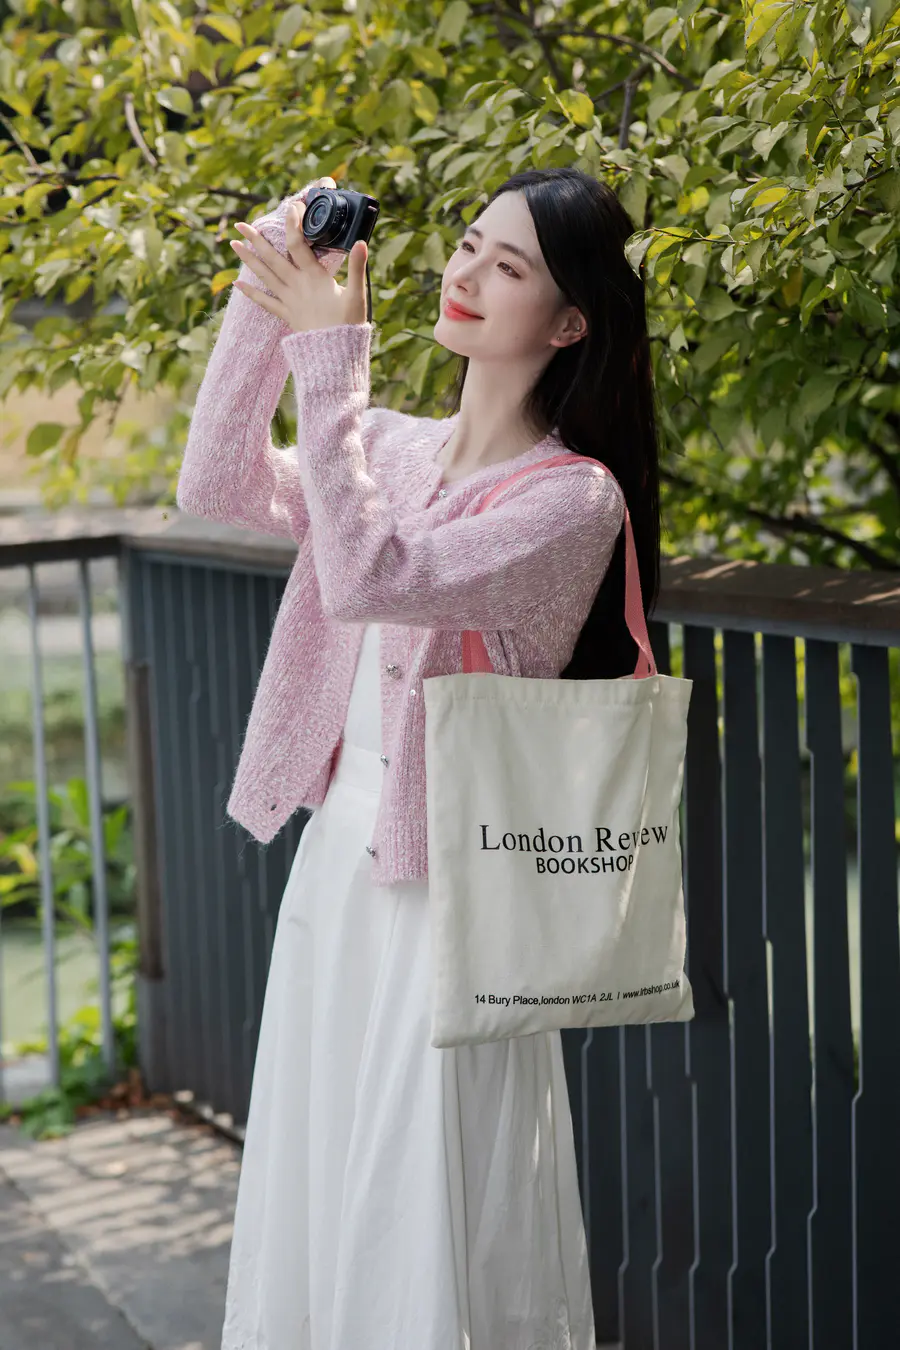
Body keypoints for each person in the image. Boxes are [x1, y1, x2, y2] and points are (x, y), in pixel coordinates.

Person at [176, 165, 661, 1350]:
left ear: (570, 323)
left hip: (450, 903)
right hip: (338, 873)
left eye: (510, 265)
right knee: (323, 1185)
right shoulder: (384, 448)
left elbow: (369, 576)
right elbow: (213, 483)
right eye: (467, 244)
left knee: (420, 1210)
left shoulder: (573, 503)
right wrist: (269, 299)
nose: (468, 273)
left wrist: (329, 360)